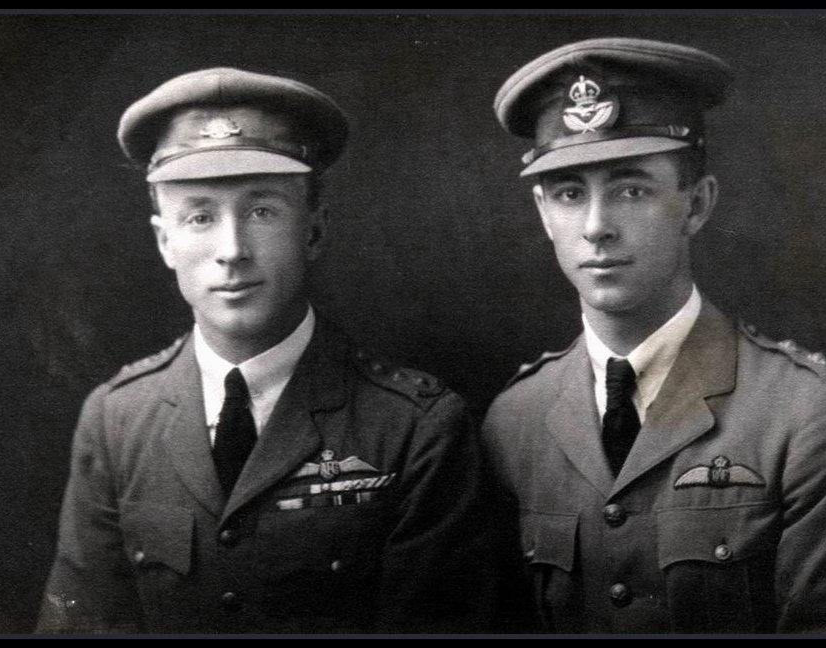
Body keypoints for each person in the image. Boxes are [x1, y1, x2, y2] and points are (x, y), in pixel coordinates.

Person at [37, 67, 496, 634]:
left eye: (262, 212)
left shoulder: (414, 429)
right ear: (164, 241)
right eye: (201, 216)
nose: (232, 250)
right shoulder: (115, 420)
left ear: (314, 231)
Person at [480, 38, 826, 634]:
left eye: (631, 190)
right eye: (570, 194)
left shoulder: (802, 413)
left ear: (696, 205)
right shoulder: (514, 420)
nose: (596, 228)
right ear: (544, 214)